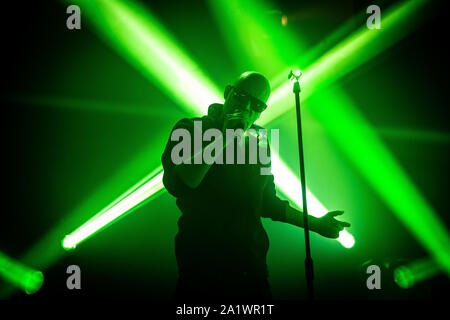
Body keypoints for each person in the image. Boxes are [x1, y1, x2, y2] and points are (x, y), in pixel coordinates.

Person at [161, 71, 350, 301]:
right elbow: (182, 183)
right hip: (202, 270)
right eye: (242, 96)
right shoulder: (190, 129)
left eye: (258, 105)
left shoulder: (259, 140)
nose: (249, 108)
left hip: (251, 269)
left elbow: (267, 202)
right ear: (227, 92)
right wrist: (226, 136)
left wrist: (316, 224)